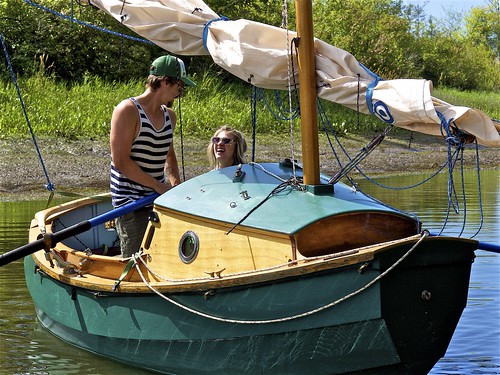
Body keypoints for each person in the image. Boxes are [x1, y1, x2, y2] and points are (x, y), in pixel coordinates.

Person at [110, 54, 196, 257]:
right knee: (137, 263)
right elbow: (120, 161)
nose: (180, 93)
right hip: (130, 203)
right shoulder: (127, 111)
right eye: (179, 87)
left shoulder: (169, 116)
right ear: (166, 82)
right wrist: (158, 186)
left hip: (157, 200)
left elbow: (169, 154)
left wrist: (174, 183)